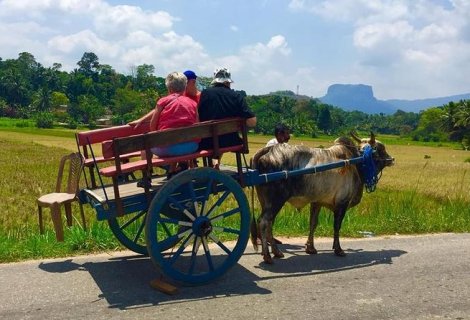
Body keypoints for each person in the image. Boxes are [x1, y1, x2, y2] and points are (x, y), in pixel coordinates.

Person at [135, 72, 199, 181]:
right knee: (175, 139)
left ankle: (147, 175)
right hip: (191, 147)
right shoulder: (193, 103)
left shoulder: (162, 102)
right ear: (185, 87)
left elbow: (153, 127)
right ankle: (173, 171)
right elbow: (197, 125)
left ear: (169, 88)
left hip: (167, 148)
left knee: (146, 144)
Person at [198, 67, 257, 168]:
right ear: (228, 82)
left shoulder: (205, 94)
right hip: (230, 141)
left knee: (217, 138)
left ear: (215, 81)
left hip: (207, 142)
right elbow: (252, 122)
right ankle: (216, 162)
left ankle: (215, 162)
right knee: (224, 138)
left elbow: (199, 117)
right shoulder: (236, 96)